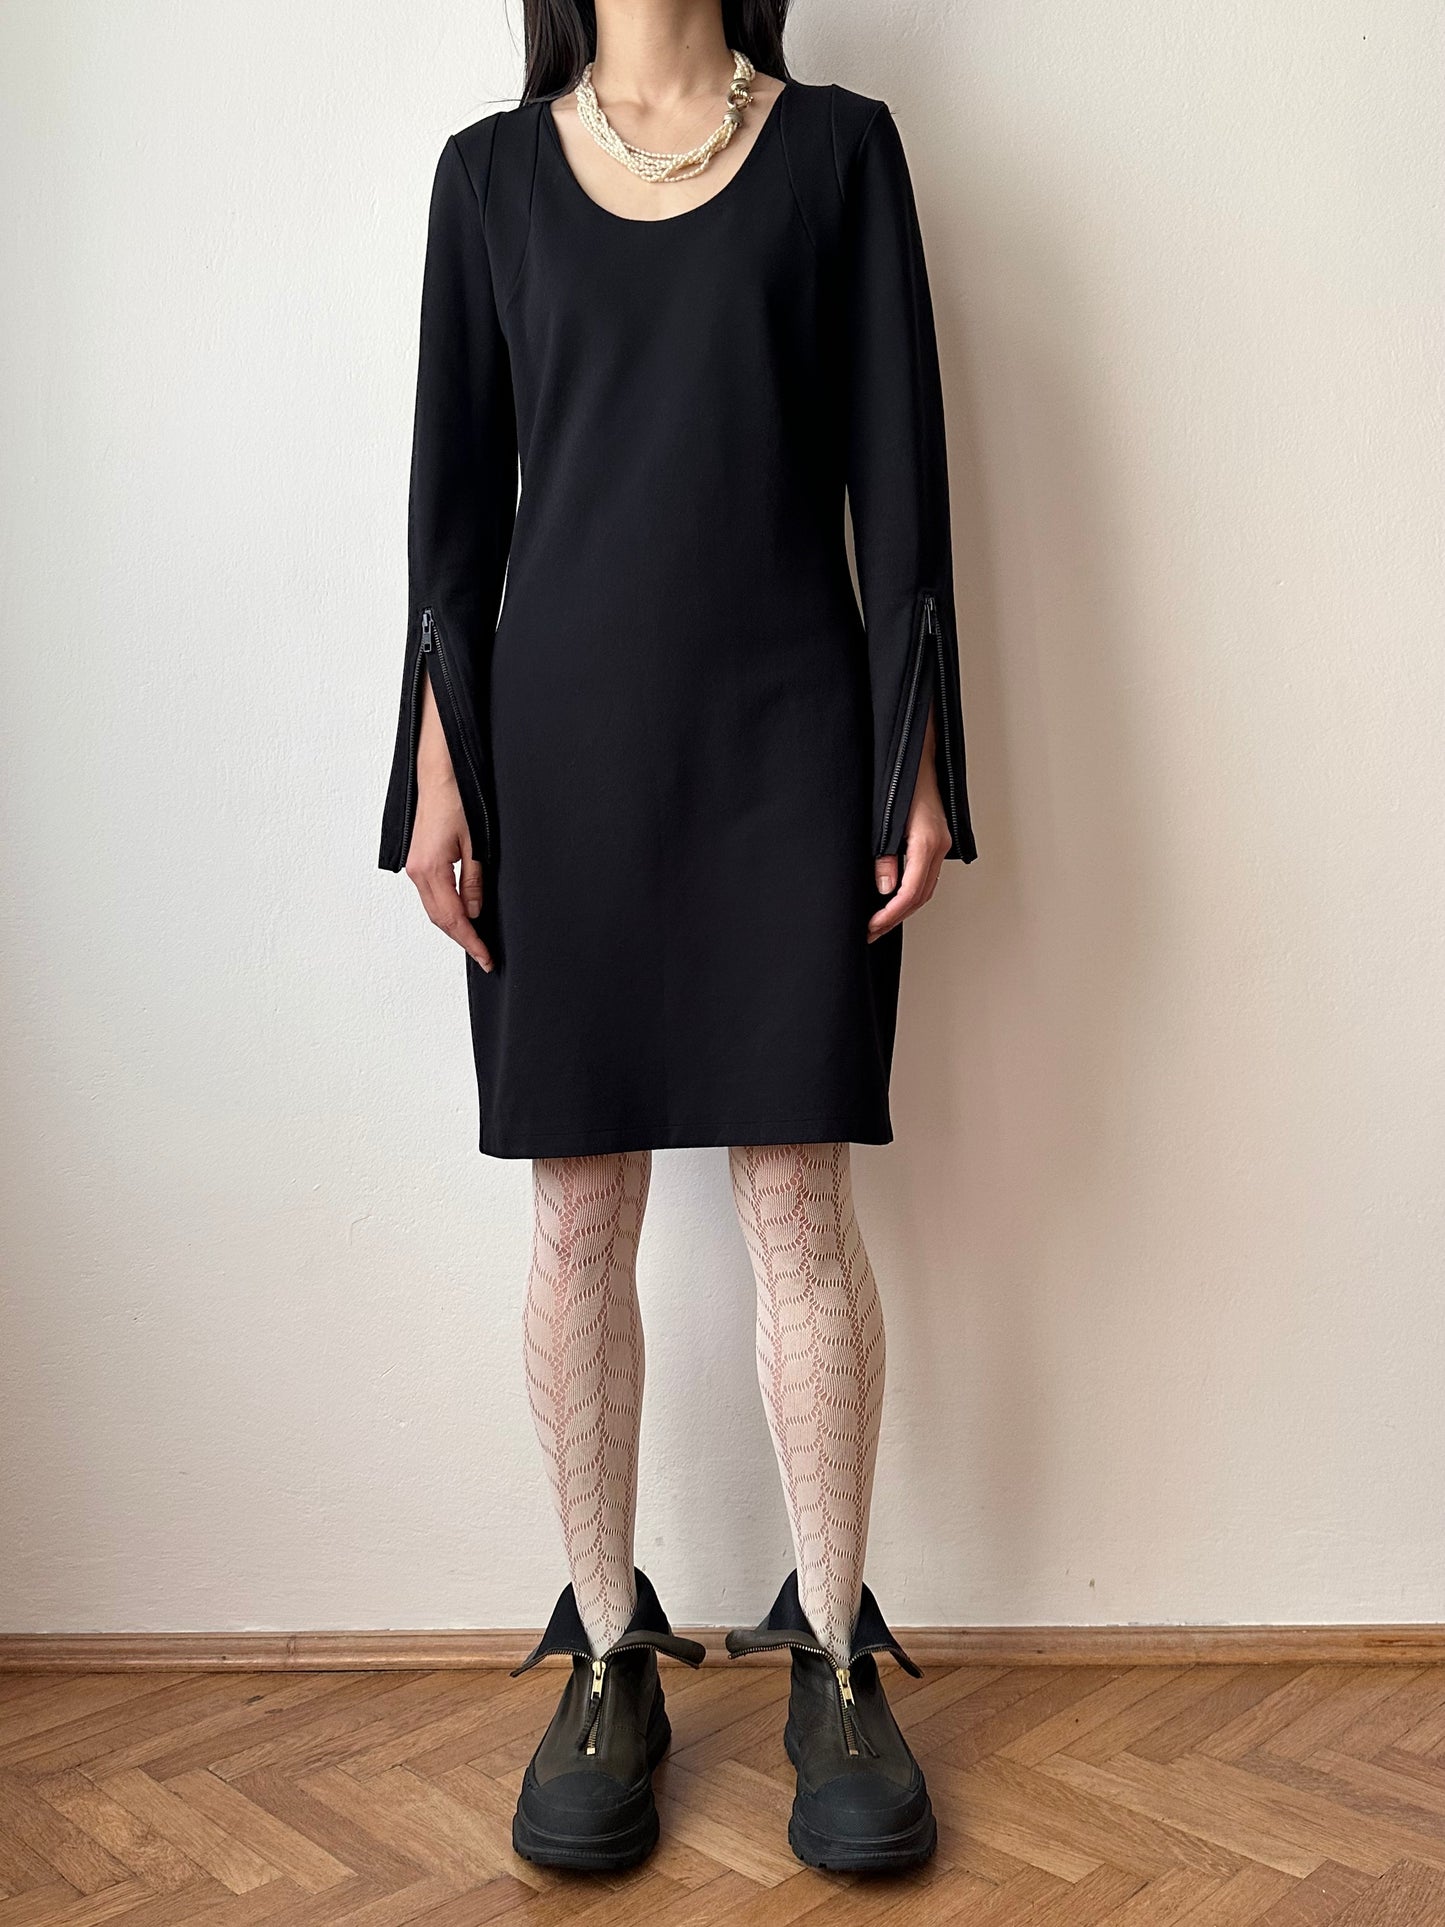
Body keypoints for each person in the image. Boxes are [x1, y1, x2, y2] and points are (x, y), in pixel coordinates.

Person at [377, 0, 977, 1877]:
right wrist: (435, 767)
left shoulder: (839, 155)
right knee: (578, 1215)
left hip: (789, 744)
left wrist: (917, 754)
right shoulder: (487, 181)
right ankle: (602, 1651)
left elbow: (902, 483)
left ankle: (835, 1652)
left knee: (798, 1203)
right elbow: (450, 514)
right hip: (556, 757)